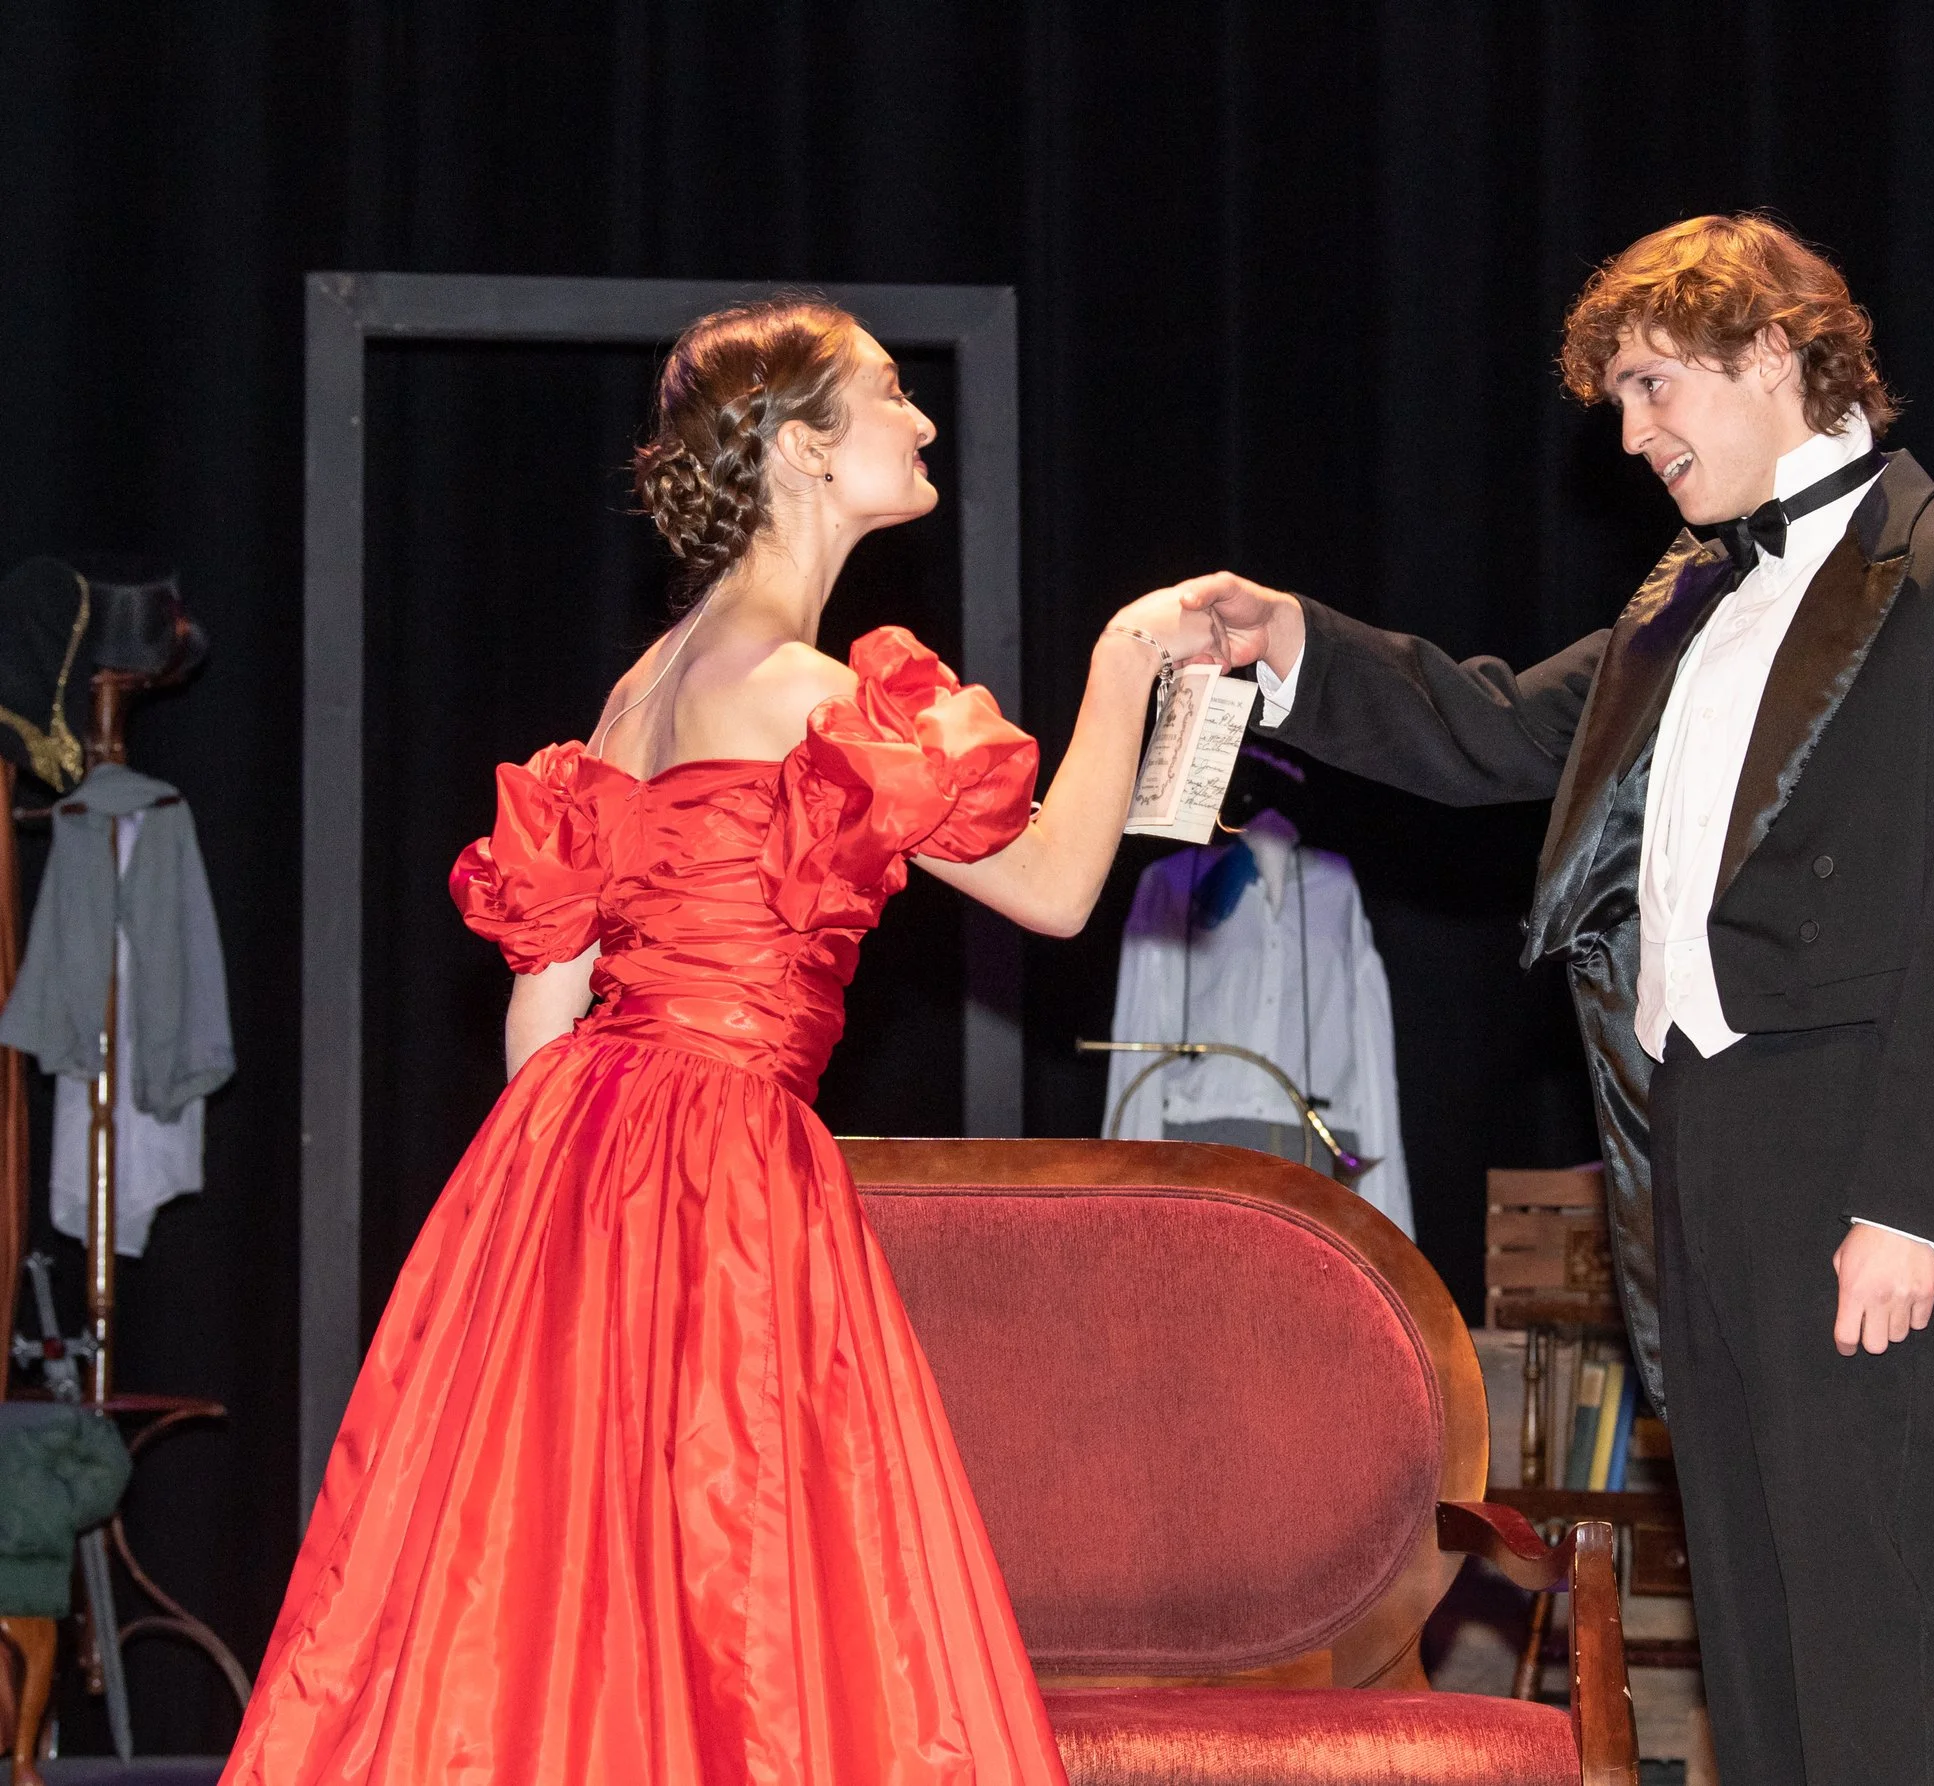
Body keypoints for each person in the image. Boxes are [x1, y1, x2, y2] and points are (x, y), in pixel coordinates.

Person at [221, 296, 1208, 1785]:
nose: (923, 419)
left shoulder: (645, 685)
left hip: (573, 1156)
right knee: (744, 1584)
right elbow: (1062, 889)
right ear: (807, 450)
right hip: (725, 1159)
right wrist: (1133, 652)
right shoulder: (817, 700)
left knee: (573, 1577)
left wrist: (546, 1238)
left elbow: (543, 1006)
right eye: (889, 394)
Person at [1179, 215, 1934, 1785]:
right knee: (1750, 1613)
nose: (1637, 433)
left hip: (1852, 1152)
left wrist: (1916, 1206)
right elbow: (1493, 728)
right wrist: (1294, 645)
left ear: (1779, 352)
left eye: (1658, 386)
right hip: (1688, 1145)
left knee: (1867, 1623)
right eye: (1622, 404)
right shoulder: (1683, 600)